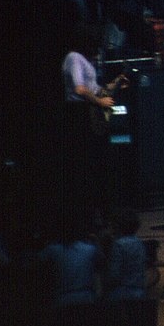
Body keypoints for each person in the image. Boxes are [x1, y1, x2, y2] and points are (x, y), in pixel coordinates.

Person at [60, 22, 129, 211]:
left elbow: (95, 89)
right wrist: (99, 102)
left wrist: (115, 84)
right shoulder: (74, 58)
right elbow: (79, 88)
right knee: (87, 159)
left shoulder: (85, 60)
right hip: (79, 111)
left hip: (89, 111)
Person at [103, 207, 147, 301]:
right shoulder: (139, 242)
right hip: (139, 291)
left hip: (122, 293)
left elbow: (114, 274)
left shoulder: (118, 245)